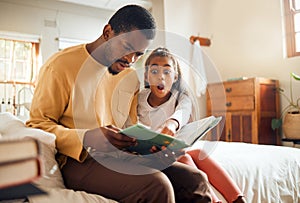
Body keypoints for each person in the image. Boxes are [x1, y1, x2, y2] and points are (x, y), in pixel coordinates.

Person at [26, 5, 212, 203]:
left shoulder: (129, 77)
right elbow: (37, 125)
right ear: (108, 32)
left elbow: (129, 127)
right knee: (158, 186)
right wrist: (86, 138)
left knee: (195, 179)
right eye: (127, 48)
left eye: (139, 55)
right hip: (78, 161)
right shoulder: (60, 66)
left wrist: (154, 150)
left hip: (120, 156)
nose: (131, 60)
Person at [137, 47, 247, 203]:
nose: (161, 77)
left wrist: (172, 124)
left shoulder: (181, 97)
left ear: (175, 77)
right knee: (184, 157)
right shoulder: (139, 99)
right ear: (147, 77)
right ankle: (214, 201)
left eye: (167, 72)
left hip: (174, 149)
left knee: (198, 154)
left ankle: (238, 199)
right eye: (154, 71)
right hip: (151, 154)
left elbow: (183, 111)